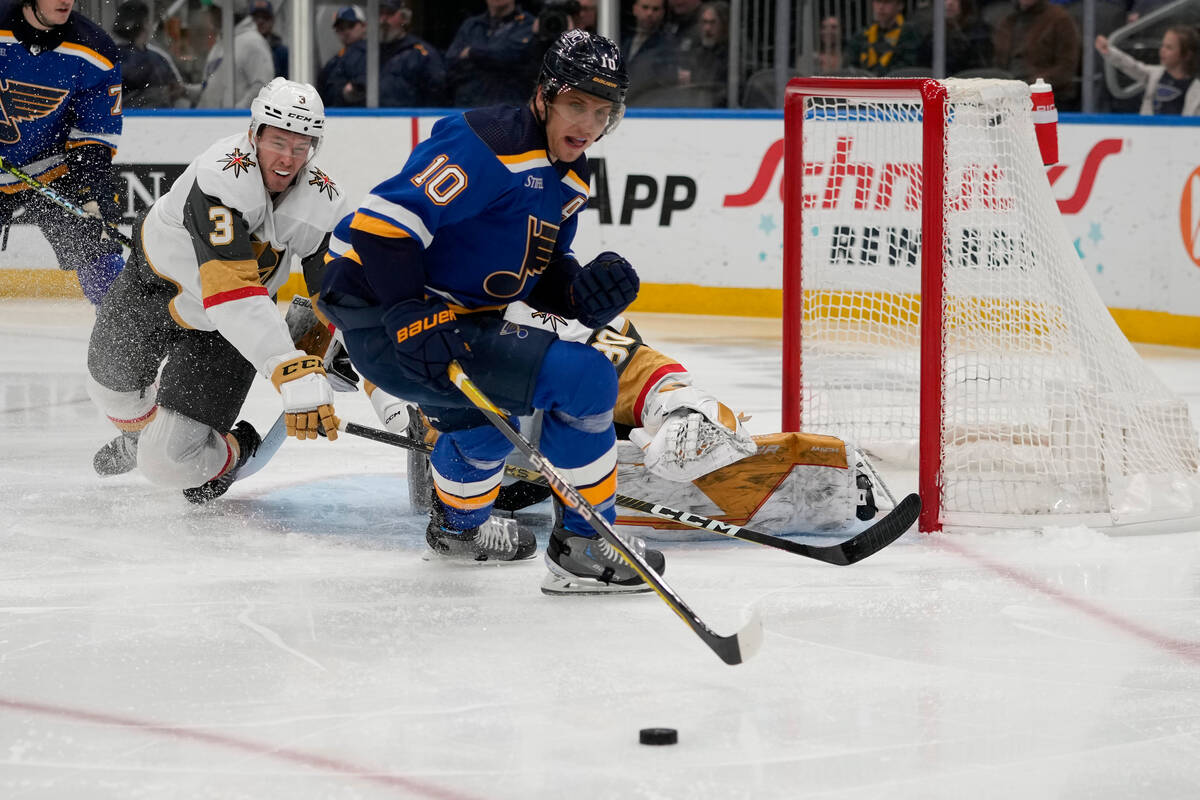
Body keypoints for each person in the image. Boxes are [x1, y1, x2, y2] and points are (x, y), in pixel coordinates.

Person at [318, 30, 661, 594]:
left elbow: (539, 269)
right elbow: (384, 227)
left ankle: (458, 530)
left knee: (487, 434)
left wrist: (580, 294)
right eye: (577, 104)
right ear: (546, 95)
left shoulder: (569, 174)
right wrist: (410, 312)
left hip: (447, 320)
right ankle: (585, 544)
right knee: (586, 380)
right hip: (382, 315)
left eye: (604, 112)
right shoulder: (488, 143)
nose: (589, 124)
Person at [86, 78, 349, 504]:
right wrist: (286, 365)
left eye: (301, 147)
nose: (287, 159)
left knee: (168, 463)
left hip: (225, 331)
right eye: (278, 141)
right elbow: (231, 289)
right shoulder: (221, 175)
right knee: (109, 388)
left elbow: (338, 302)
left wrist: (381, 382)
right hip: (154, 291)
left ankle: (236, 448)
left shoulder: (323, 200)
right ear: (254, 132)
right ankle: (136, 438)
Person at [0, 0, 125, 306]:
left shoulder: (95, 49)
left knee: (100, 254)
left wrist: (89, 190)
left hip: (53, 167)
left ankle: (125, 340)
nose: (65, 0)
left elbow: (94, 132)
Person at [444, 0, 537, 107]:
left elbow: (515, 56)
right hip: (469, 108)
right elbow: (450, 62)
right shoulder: (471, 25)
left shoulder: (530, 25)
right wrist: (494, 59)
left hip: (510, 110)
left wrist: (472, 53)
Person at [992, 0, 1080, 106]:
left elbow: (1066, 67)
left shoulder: (1060, 19)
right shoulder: (1007, 20)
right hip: (1007, 96)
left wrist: (1031, 85)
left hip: (1047, 98)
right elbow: (997, 63)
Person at [1096, 27, 1200, 115]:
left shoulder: (1196, 89)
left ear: (1187, 55)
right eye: (1162, 45)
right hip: (1149, 134)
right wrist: (1110, 52)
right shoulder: (1155, 75)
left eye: (1169, 48)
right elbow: (1132, 66)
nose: (1162, 50)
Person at [196, 0, 275, 108]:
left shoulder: (253, 42)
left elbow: (263, 86)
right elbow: (210, 89)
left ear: (226, 11)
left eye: (214, 9)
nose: (210, 14)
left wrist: (235, 114)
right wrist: (185, 91)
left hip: (235, 123)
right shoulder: (221, 43)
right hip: (214, 122)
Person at [112, 0, 187, 108]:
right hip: (156, 122)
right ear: (146, 23)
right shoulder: (158, 59)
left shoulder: (103, 58)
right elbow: (179, 95)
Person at [377, 2, 448, 107]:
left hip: (408, 118)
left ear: (404, 18)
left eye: (389, 13)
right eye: (380, 14)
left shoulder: (421, 52)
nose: (383, 20)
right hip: (371, 120)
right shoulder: (368, 52)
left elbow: (436, 92)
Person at [621, 0, 680, 105]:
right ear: (635, 9)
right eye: (645, 7)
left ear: (662, 13)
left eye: (655, 9)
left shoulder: (668, 44)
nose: (649, 13)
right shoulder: (622, 38)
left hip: (647, 105)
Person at [846, 0, 922, 76]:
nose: (881, 7)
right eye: (877, 2)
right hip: (865, 83)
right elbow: (850, 65)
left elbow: (910, 65)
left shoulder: (910, 33)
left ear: (900, 6)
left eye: (887, 2)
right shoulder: (863, 34)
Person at [917, 0, 993, 75]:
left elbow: (980, 68)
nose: (950, 3)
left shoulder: (979, 32)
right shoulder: (927, 32)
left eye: (956, 0)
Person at [678, 0, 729, 103]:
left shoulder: (734, 53)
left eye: (712, 23)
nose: (707, 28)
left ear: (724, 25)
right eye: (704, 22)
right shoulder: (696, 52)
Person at [317, 6, 368, 107]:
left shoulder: (371, 55)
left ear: (364, 26)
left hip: (358, 116)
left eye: (351, 25)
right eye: (341, 27)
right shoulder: (334, 61)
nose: (346, 31)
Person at [248, 0, 288, 78]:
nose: (260, 21)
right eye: (256, 18)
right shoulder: (242, 49)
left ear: (272, 21)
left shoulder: (282, 53)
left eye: (265, 17)